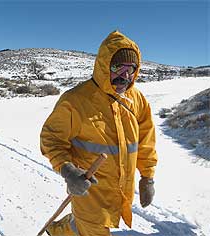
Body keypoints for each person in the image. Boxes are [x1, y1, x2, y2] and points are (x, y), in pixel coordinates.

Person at [40, 30, 158, 236]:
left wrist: (147, 177)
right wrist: (68, 171)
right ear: (103, 66)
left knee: (86, 228)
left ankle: (61, 229)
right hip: (89, 191)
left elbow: (146, 139)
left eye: (131, 69)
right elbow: (51, 139)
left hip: (121, 189)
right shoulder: (75, 100)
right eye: (117, 67)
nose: (125, 75)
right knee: (92, 228)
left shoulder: (137, 99)